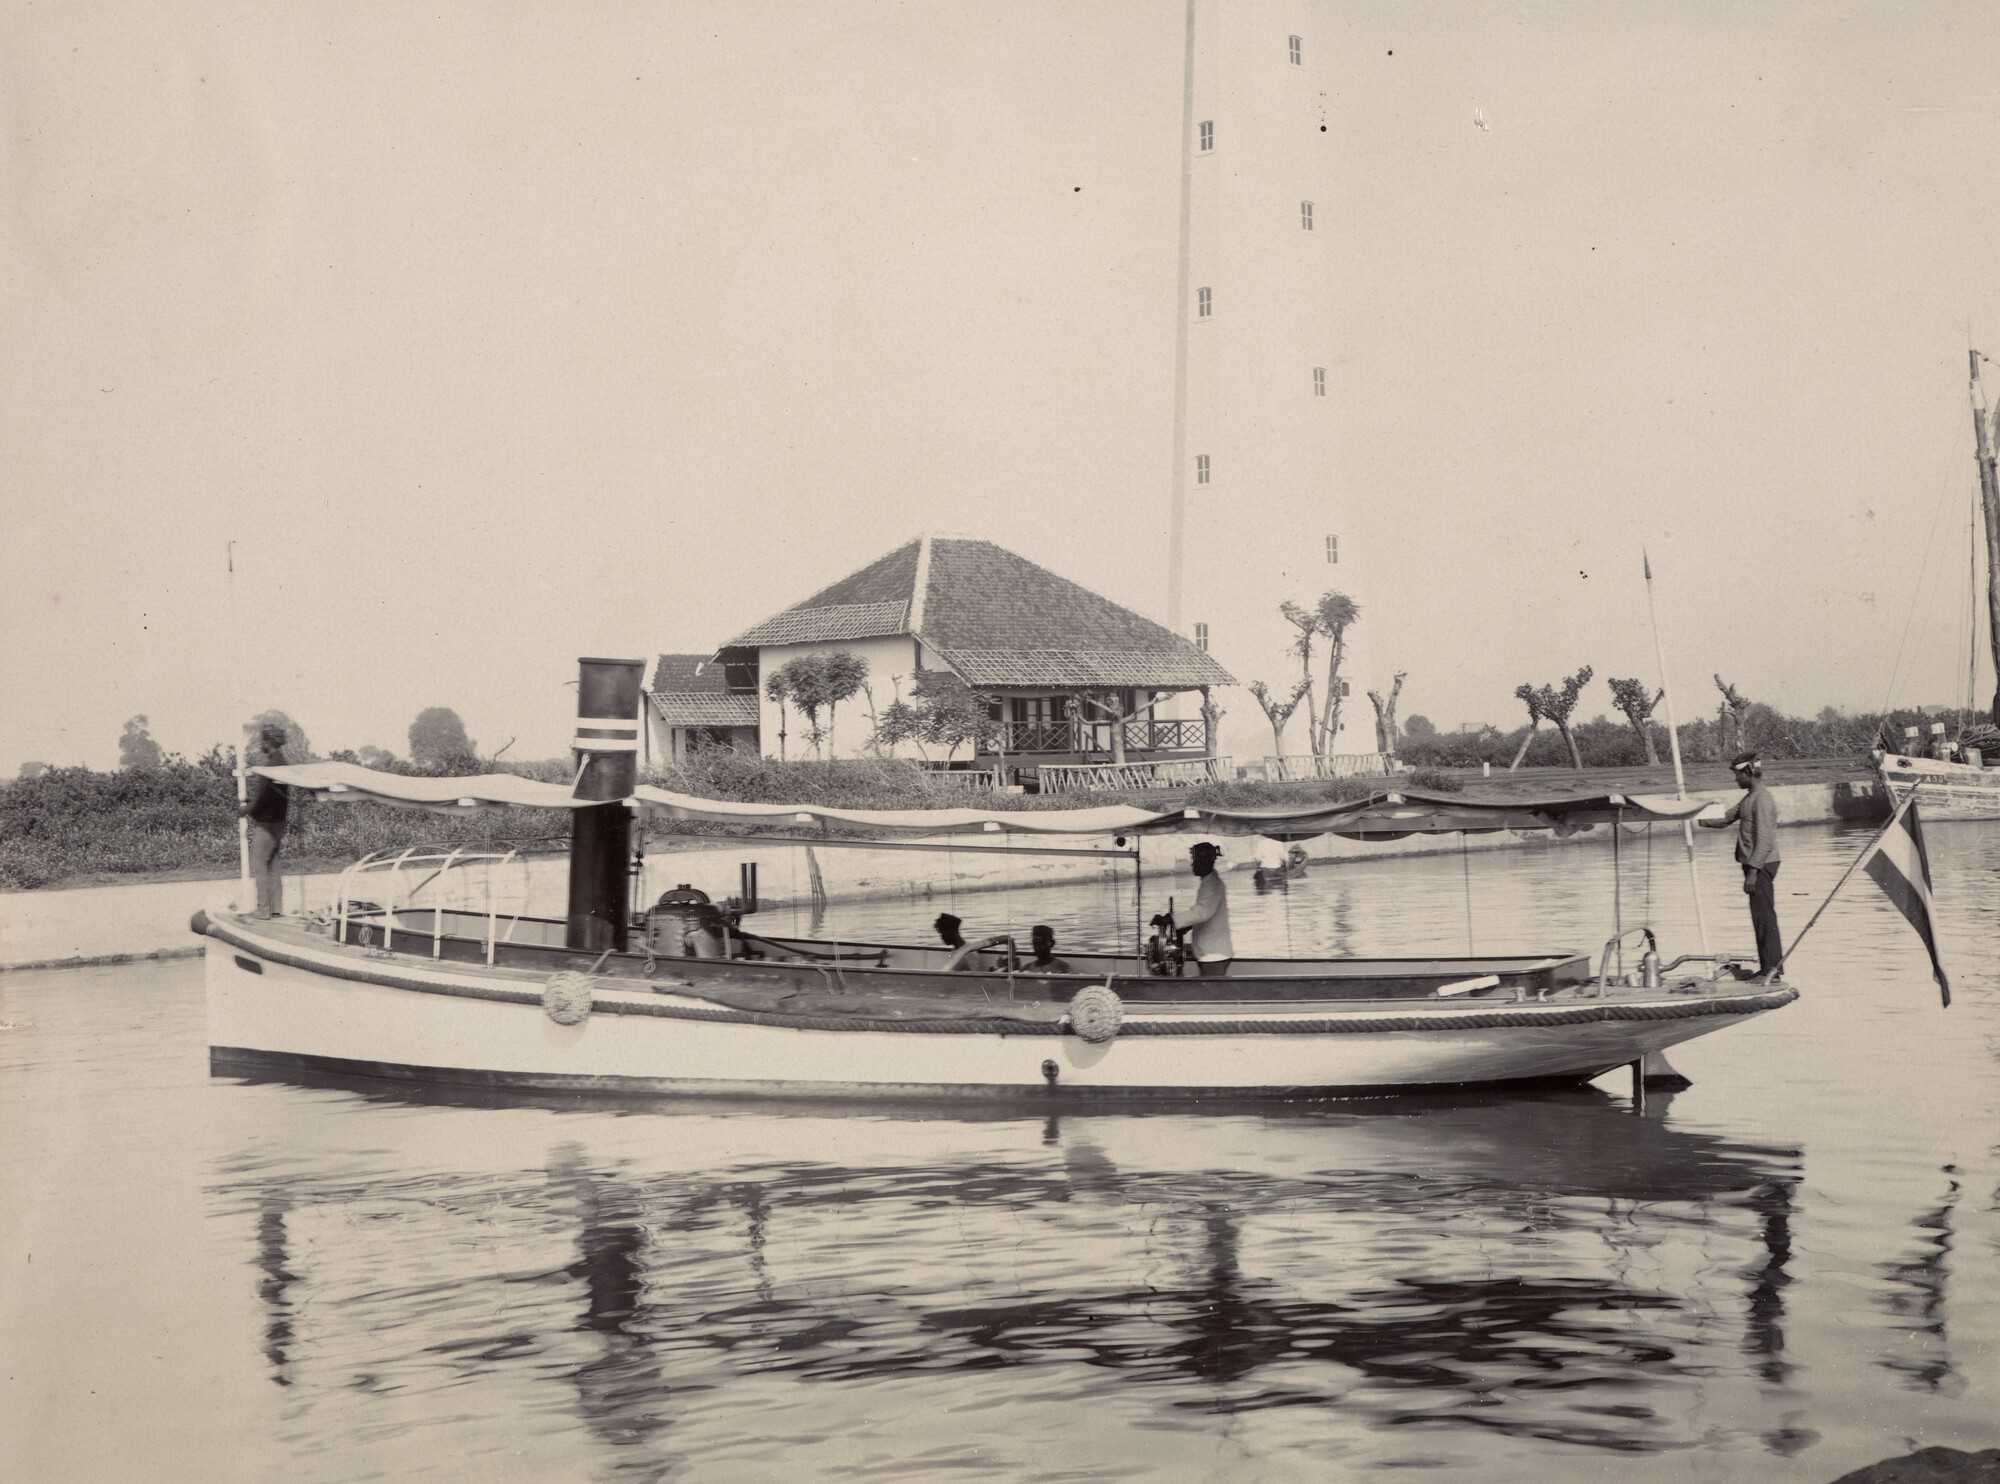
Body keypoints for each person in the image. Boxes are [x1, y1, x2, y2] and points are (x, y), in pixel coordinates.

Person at [1700, 751, 1783, 981]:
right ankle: (1768, 968)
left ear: (1749, 772)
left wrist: (1753, 873)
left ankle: (1771, 971)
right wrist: (1693, 815)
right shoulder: (1750, 797)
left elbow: (1765, 840)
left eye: (1737, 774)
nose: (1735, 779)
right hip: (1755, 864)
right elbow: (1725, 818)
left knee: (1765, 918)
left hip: (1761, 864)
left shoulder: (1762, 799)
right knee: (1760, 918)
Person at [239, 724, 290, 919]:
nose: (260, 744)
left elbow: (262, 799)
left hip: (266, 824)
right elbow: (271, 797)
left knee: (259, 863)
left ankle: (262, 909)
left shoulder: (270, 767)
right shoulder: (283, 762)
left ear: (268, 742)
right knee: (274, 865)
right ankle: (275, 908)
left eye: (262, 741)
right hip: (279, 822)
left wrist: (244, 810)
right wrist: (253, 802)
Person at [1177, 841, 1233, 977]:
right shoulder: (1208, 883)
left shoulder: (1212, 885)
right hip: (1210, 952)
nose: (1192, 864)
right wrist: (1185, 925)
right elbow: (1203, 912)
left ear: (1205, 861)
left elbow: (1202, 912)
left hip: (1214, 955)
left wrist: (1172, 920)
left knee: (1213, 994)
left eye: (1195, 860)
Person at [934, 912, 1013, 971]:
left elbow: (980, 979)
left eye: (942, 933)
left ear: (952, 932)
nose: (941, 937)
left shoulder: (969, 954)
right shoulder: (957, 950)